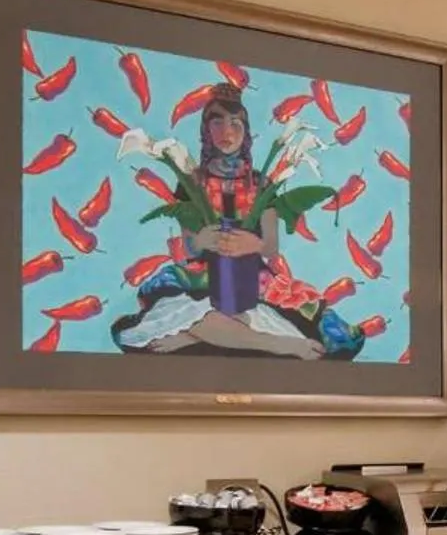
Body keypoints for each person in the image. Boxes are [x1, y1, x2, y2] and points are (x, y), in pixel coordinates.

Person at [113, 83, 323, 358]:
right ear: (206, 131)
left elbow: (271, 246)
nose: (227, 132)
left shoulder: (261, 183)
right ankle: (278, 344)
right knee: (183, 311)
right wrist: (201, 240)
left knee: (244, 314)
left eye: (236, 124)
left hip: (247, 277)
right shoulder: (192, 182)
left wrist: (253, 244)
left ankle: (190, 335)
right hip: (202, 279)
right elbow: (189, 246)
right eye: (217, 123)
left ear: (246, 133)